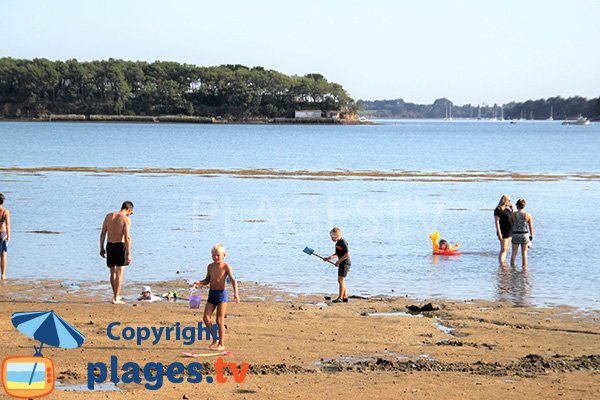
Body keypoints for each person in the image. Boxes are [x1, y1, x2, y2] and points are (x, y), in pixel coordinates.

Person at [194, 244, 239, 351]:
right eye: (213, 255)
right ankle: (215, 339)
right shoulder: (210, 267)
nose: (215, 257)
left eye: (218, 255)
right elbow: (207, 280)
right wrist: (199, 283)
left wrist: (236, 293)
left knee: (219, 320)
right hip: (212, 294)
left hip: (222, 295)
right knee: (206, 318)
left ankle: (222, 344)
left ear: (224, 255)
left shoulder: (226, 267)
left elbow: (233, 280)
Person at [100, 201, 134, 304]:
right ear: (129, 209)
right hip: (120, 245)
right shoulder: (126, 219)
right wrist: (129, 253)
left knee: (112, 272)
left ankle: (116, 295)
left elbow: (102, 233)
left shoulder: (109, 216)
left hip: (110, 245)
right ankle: (115, 298)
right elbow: (127, 237)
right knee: (119, 273)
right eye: (131, 212)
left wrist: (101, 247)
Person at [323, 227, 351, 303]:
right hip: (342, 262)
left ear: (337, 235)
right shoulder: (338, 243)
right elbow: (337, 254)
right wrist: (329, 258)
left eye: (332, 237)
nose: (331, 239)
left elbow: (347, 254)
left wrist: (339, 261)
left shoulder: (342, 242)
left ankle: (340, 298)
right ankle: (345, 297)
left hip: (345, 263)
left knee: (340, 280)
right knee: (341, 280)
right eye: (331, 237)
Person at [510, 199, 534, 268]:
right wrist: (531, 236)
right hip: (524, 235)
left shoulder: (513, 214)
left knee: (514, 253)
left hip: (515, 234)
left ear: (517, 206)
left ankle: (512, 269)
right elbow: (531, 227)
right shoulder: (528, 215)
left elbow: (511, 224)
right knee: (524, 253)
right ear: (524, 206)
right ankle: (525, 269)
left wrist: (512, 210)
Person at [494, 194, 514, 266]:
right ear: (505, 201)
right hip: (503, 232)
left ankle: (503, 262)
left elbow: (512, 218)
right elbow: (497, 222)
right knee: (503, 249)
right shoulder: (498, 210)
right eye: (509, 201)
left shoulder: (507, 210)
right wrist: (499, 233)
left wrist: (512, 209)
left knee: (507, 249)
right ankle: (501, 264)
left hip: (510, 232)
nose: (509, 202)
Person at [0, 193, 11, 280]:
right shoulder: (5, 211)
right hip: (2, 234)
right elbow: (7, 225)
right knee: (3, 255)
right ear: (3, 201)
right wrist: (9, 236)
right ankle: (3, 275)